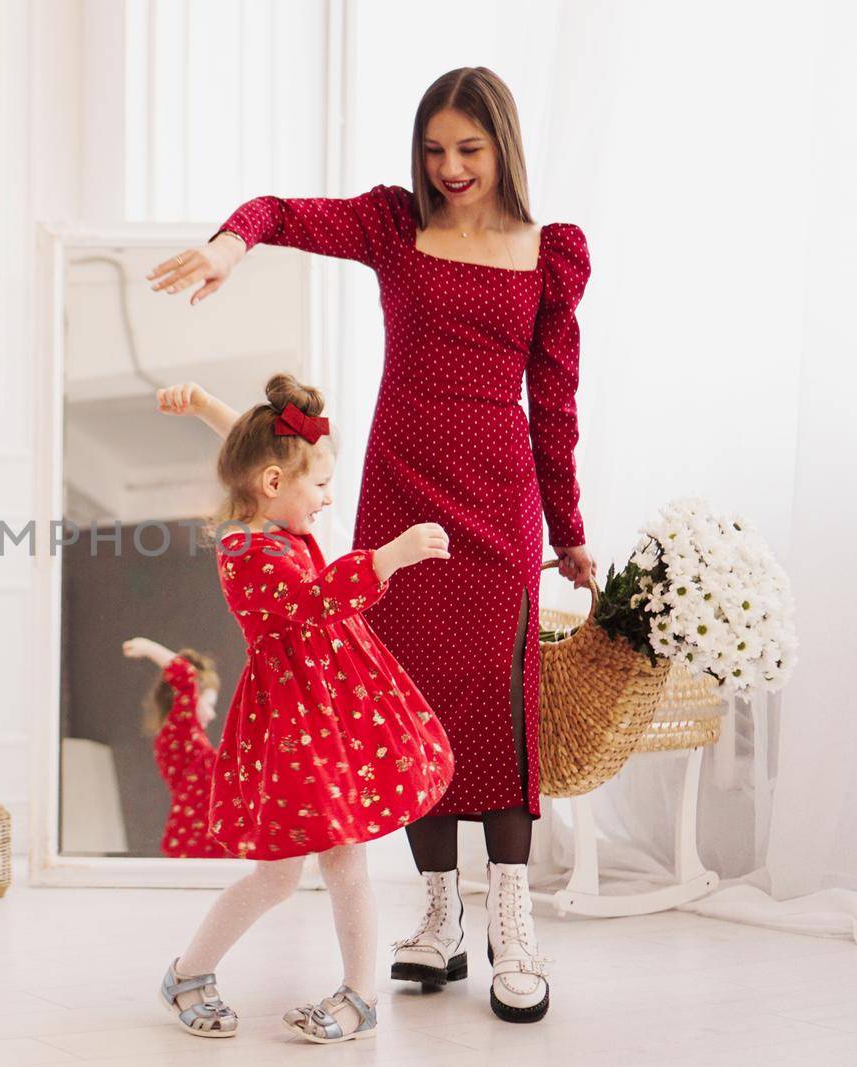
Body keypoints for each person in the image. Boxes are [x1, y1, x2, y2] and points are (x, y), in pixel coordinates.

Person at [149, 65, 596, 1026]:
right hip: (402, 493)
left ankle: (512, 923)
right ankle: (438, 920)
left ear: (504, 146)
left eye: (468, 149)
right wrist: (234, 246)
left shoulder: (548, 254)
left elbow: (553, 405)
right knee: (404, 698)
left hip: (499, 501)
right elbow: (281, 209)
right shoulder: (396, 225)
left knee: (501, 705)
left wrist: (569, 530)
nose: (449, 168)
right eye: (434, 149)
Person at [157, 373, 452, 1044]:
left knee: (342, 857)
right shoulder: (247, 550)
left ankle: (358, 993)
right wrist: (389, 557)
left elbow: (266, 454)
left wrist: (206, 405)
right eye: (318, 486)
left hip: (326, 709)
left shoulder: (265, 508)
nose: (326, 497)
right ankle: (189, 973)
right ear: (272, 487)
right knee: (279, 875)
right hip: (296, 726)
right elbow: (315, 598)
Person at [121, 637, 225, 859]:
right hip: (197, 842)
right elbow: (185, 675)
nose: (213, 714)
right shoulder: (181, 731)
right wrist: (148, 648)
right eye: (209, 704)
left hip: (204, 840)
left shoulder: (188, 738)